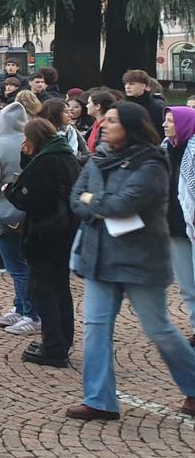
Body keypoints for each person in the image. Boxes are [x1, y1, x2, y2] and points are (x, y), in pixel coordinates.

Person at [66, 102, 195, 421]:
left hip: (140, 260)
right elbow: (75, 197)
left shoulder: (151, 163)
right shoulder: (99, 157)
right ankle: (99, 400)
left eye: (112, 121)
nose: (105, 125)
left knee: (159, 329)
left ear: (131, 126)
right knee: (95, 328)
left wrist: (94, 203)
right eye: (105, 119)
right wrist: (98, 203)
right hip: (98, 257)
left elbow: (123, 204)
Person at [7, 118, 81, 367]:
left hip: (45, 232)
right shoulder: (65, 155)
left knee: (42, 289)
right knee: (60, 288)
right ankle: (62, 340)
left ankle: (53, 346)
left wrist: (11, 190)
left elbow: (27, 198)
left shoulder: (45, 161)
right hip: (65, 230)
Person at [0, 102, 37, 334]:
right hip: (29, 211)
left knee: (17, 266)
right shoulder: (30, 141)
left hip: (4, 212)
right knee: (24, 263)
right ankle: (21, 307)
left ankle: (31, 313)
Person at [163, 107, 195, 337]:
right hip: (175, 227)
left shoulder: (192, 151)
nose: (165, 125)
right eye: (165, 120)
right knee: (186, 284)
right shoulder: (163, 149)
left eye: (170, 121)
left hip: (192, 223)